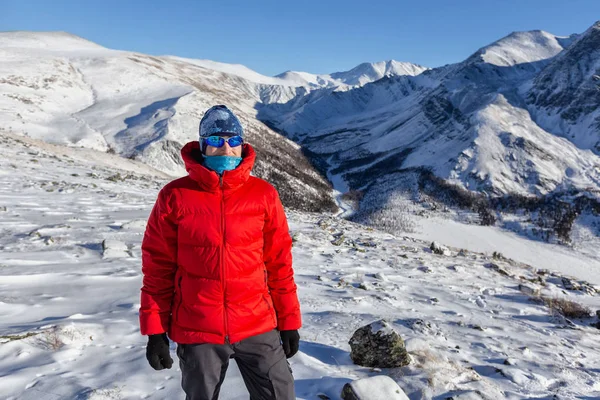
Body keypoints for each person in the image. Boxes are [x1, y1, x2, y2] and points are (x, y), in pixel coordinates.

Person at [139, 105, 301, 400]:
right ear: (202, 146)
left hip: (257, 322)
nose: (225, 146)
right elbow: (157, 268)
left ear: (242, 145)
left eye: (233, 140)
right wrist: (155, 331)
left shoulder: (263, 194)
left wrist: (289, 321)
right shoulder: (174, 196)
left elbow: (279, 263)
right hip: (197, 326)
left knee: (280, 394)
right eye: (215, 140)